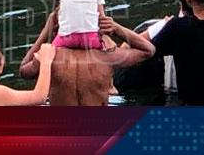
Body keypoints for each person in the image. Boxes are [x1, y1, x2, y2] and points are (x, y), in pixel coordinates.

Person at [18, 10, 154, 106]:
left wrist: (46, 31)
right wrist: (116, 28)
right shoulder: (106, 57)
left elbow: (24, 69)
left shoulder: (51, 57)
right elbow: (148, 50)